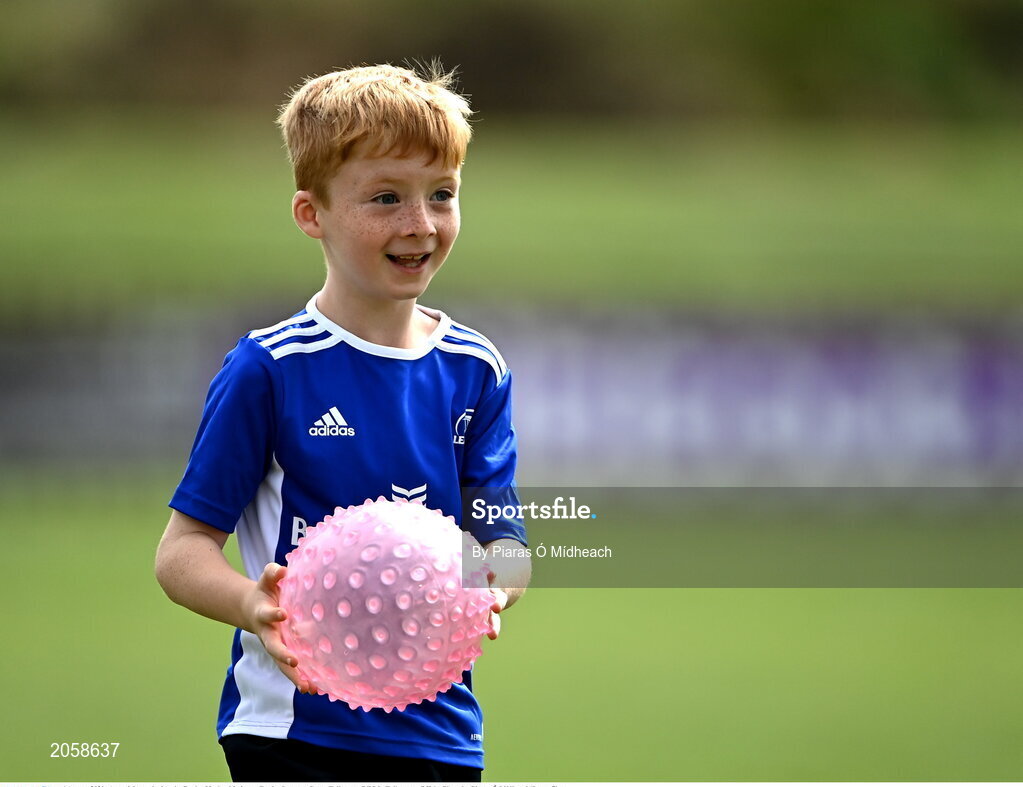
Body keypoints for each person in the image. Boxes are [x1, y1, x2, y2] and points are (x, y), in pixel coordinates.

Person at [155, 62, 531, 782]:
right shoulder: (269, 366)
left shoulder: (477, 368)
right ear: (311, 214)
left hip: (439, 730)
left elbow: (504, 540)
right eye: (385, 197)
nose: (419, 223)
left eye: (441, 195)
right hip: (295, 731)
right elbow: (180, 552)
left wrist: (489, 583)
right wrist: (252, 604)